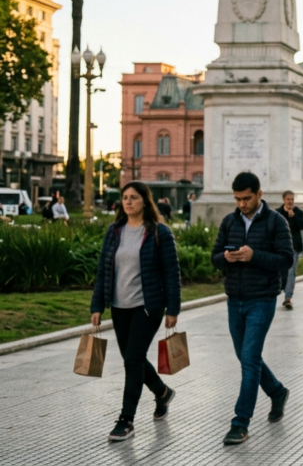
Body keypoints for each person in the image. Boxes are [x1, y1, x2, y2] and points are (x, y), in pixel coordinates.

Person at [90, 181, 181, 442]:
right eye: (125, 198)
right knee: (134, 359)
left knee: (132, 360)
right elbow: (103, 270)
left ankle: (126, 420)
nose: (128, 202)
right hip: (119, 306)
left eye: (134, 198)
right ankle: (162, 393)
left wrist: (173, 309)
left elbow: (172, 274)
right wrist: (97, 306)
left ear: (145, 201)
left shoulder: (158, 232)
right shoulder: (114, 231)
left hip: (148, 306)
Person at [212, 172, 295, 445]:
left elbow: (285, 259)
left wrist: (253, 255)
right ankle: (277, 392)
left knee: (249, 358)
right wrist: (225, 258)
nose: (242, 204)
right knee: (247, 356)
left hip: (262, 298)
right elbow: (214, 257)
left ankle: (240, 423)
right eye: (237, 199)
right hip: (234, 299)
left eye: (246, 198)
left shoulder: (276, 222)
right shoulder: (229, 221)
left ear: (259, 194)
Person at [276, 191, 303, 310]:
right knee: (281, 271)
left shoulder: (299, 213)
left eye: (292, 199)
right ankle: (280, 289)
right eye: (288, 199)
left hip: (294, 247)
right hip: (280, 247)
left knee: (291, 272)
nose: (290, 201)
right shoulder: (277, 213)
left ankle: (288, 298)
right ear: (283, 200)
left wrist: (294, 216)